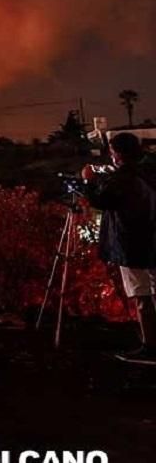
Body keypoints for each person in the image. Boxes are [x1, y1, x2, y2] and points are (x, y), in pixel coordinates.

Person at [82, 133, 156, 364]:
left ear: (117, 153)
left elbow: (102, 201)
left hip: (134, 245)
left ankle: (150, 346)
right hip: (152, 241)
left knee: (142, 296)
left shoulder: (123, 178)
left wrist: (88, 181)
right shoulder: (150, 171)